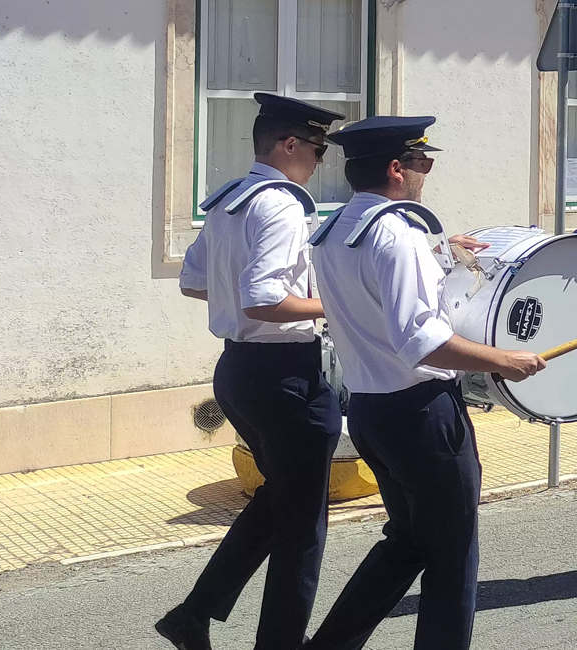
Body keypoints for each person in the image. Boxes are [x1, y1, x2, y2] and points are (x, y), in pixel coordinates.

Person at [301, 116, 547, 650]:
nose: (425, 173)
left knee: (409, 541)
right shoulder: (398, 236)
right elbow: (423, 342)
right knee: (453, 556)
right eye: (422, 162)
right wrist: (503, 360)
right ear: (396, 168)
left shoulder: (337, 230)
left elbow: (375, 284)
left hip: (370, 409)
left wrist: (438, 250)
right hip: (421, 414)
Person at [160, 93, 346, 650]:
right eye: (316, 149)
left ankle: (194, 613)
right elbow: (266, 300)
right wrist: (341, 306)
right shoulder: (285, 205)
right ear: (289, 145)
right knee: (302, 526)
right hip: (286, 374)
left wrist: (239, 298)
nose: (320, 161)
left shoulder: (230, 200)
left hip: (238, 372)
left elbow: (194, 282)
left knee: (281, 500)